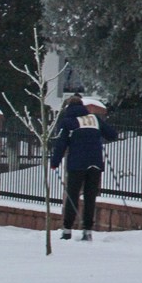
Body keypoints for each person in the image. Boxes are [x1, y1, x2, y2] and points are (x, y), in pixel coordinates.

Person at [49, 94, 118, 241]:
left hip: (77, 165)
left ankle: (67, 230)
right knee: (90, 197)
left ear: (68, 107)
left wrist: (55, 162)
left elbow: (61, 144)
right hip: (95, 164)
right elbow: (112, 135)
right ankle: (88, 231)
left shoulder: (68, 122)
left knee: (72, 196)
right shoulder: (94, 119)